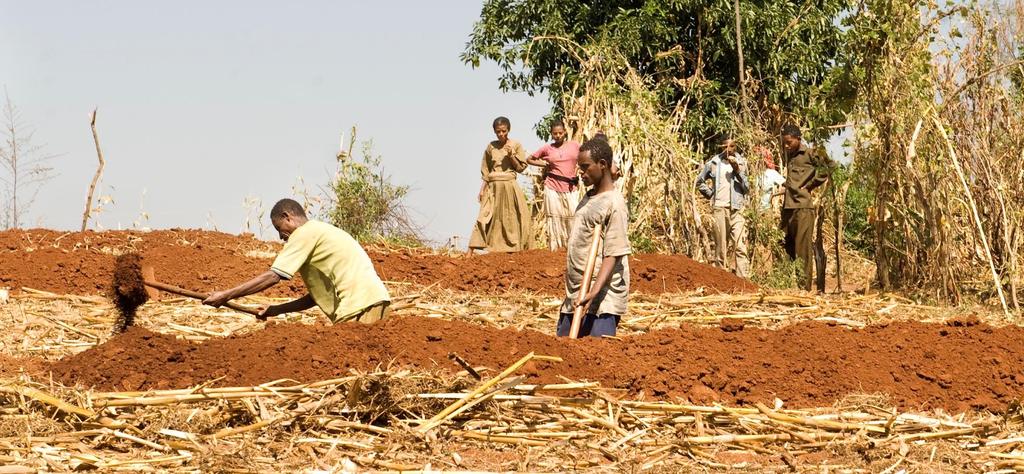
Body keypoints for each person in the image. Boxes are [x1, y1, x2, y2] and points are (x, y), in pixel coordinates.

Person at [203, 199, 391, 323]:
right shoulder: (320, 232)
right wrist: (276, 310)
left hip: (357, 307)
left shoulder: (304, 233)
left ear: (287, 217)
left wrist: (226, 295)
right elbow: (314, 298)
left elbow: (274, 276)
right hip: (375, 300)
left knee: (352, 372)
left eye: (279, 228)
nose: (281, 236)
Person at [556, 138, 631, 338]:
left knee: (595, 355)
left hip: (601, 298)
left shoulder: (614, 203)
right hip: (577, 293)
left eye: (585, 167)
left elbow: (613, 253)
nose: (580, 173)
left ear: (603, 165)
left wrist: (594, 292)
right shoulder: (589, 197)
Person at [779, 124, 832, 291]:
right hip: (788, 208)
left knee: (803, 250)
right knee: (784, 247)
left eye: (789, 142)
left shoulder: (810, 153)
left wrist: (810, 185)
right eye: (784, 143)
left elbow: (829, 166)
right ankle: (785, 286)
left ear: (798, 140)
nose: (786, 146)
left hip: (803, 207)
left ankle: (804, 289)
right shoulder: (790, 156)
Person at [469, 116, 532, 254]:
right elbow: (486, 170)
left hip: (509, 186)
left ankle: (514, 249)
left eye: (503, 131)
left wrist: (511, 155)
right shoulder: (491, 146)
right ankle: (472, 249)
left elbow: (521, 168)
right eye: (498, 131)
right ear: (494, 132)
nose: (501, 134)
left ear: (508, 130)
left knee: (512, 217)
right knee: (485, 215)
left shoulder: (516, 145)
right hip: (493, 187)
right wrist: (482, 189)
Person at [694, 138, 751, 278]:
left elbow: (747, 187)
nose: (728, 149)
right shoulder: (713, 163)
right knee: (721, 247)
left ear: (735, 147)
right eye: (725, 146)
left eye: (731, 146)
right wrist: (710, 194)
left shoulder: (742, 162)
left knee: (740, 246)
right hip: (719, 208)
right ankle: (721, 279)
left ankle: (744, 281)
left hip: (737, 209)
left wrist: (737, 170)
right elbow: (699, 181)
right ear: (721, 147)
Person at [527, 121, 580, 250]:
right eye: (555, 133)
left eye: (560, 133)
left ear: (565, 132)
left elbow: (585, 156)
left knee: (573, 214)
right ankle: (556, 247)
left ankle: (573, 245)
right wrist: (545, 164)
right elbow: (529, 159)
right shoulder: (547, 148)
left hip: (570, 187)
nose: (558, 136)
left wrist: (581, 169)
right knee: (555, 216)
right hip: (552, 186)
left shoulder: (575, 145)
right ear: (551, 134)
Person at [757, 145, 786, 211]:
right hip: (752, 211)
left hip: (765, 210)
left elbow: (789, 186)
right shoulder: (753, 173)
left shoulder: (771, 173)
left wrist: (774, 195)